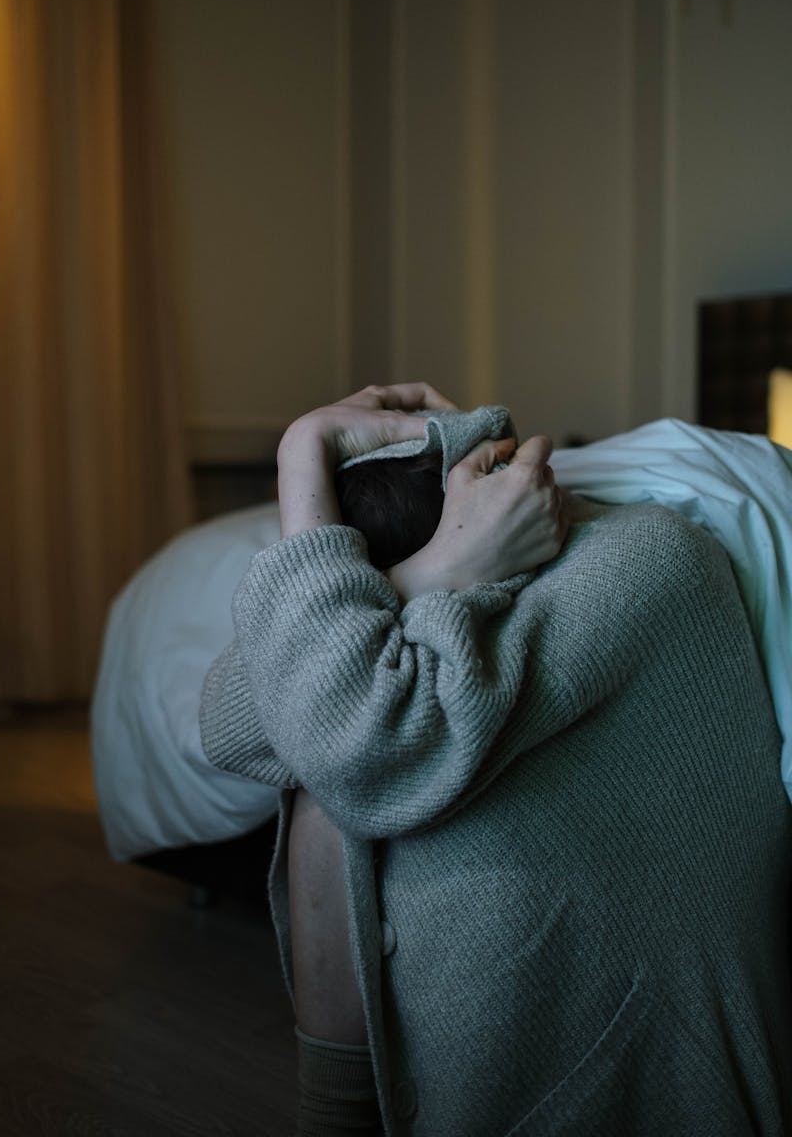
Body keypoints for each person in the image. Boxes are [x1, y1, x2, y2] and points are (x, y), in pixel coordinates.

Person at [200, 383, 792, 1136]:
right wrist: (435, 567)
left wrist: (316, 469)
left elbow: (354, 745)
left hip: (660, 1092)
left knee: (340, 764)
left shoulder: (645, 560)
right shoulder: (448, 579)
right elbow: (228, 721)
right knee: (323, 756)